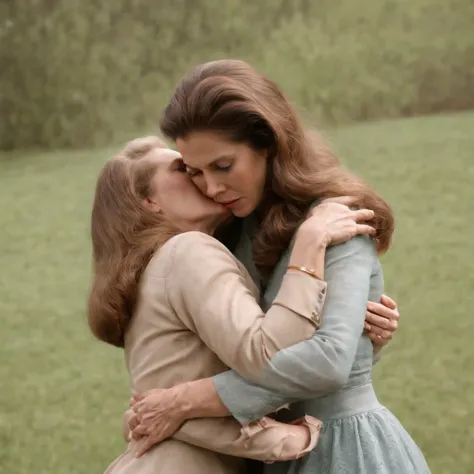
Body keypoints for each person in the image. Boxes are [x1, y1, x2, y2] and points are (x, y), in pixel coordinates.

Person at [126, 60, 430, 473]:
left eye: (223, 166)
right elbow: (246, 347)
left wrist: (186, 400)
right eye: (195, 172)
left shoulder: (336, 220)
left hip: (345, 451)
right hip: (272, 452)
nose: (212, 188)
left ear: (267, 142)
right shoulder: (230, 231)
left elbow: (326, 365)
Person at [88, 137, 379, 474]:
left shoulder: (161, 265)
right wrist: (309, 242)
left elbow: (162, 406)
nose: (203, 180)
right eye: (185, 169)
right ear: (150, 201)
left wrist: (353, 328)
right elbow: (268, 354)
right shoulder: (187, 252)